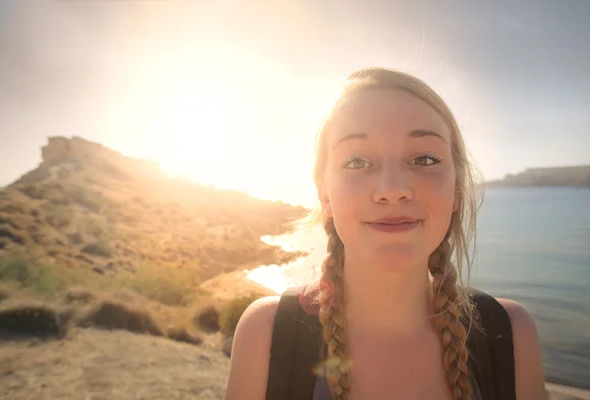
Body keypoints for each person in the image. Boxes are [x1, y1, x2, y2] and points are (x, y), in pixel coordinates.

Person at [224, 68, 546, 400]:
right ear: (325, 195)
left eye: (424, 158)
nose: (392, 190)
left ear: (457, 191)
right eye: (356, 162)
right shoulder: (267, 333)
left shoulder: (507, 333)